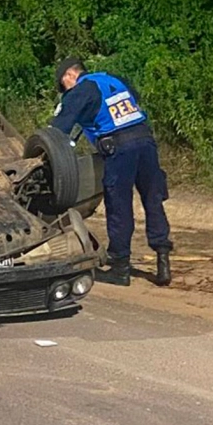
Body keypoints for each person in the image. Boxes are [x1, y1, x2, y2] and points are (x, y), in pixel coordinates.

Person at [50, 57, 173, 286]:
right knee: (153, 199)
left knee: (119, 206)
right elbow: (132, 102)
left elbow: (58, 129)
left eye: (63, 85)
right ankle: (163, 260)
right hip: (145, 141)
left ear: (69, 76)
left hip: (119, 149)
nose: (65, 90)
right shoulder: (112, 79)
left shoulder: (81, 89)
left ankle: (120, 268)